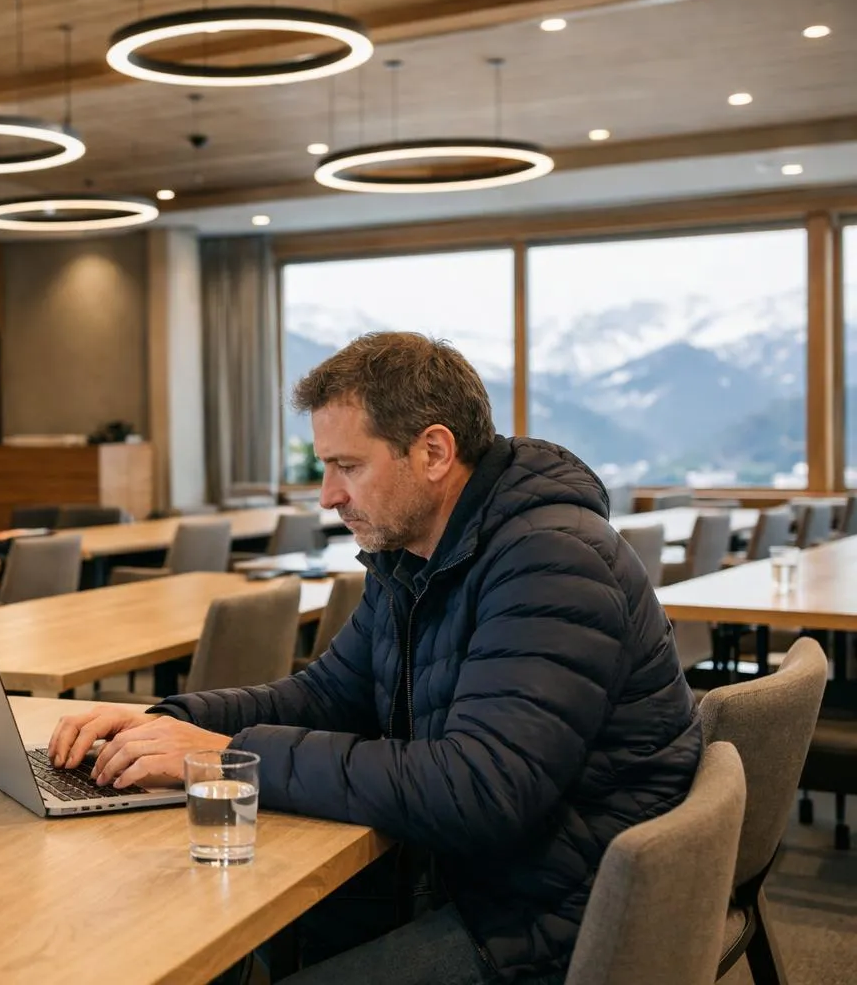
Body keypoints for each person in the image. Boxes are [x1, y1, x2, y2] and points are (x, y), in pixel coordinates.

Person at [48, 331, 701, 984]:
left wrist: (228, 758)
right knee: (191, 934)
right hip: (473, 875)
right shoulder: (415, 554)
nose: (327, 496)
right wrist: (162, 724)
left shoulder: (552, 561)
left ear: (434, 452)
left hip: (549, 915)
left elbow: (481, 787)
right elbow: (327, 695)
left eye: (348, 466)